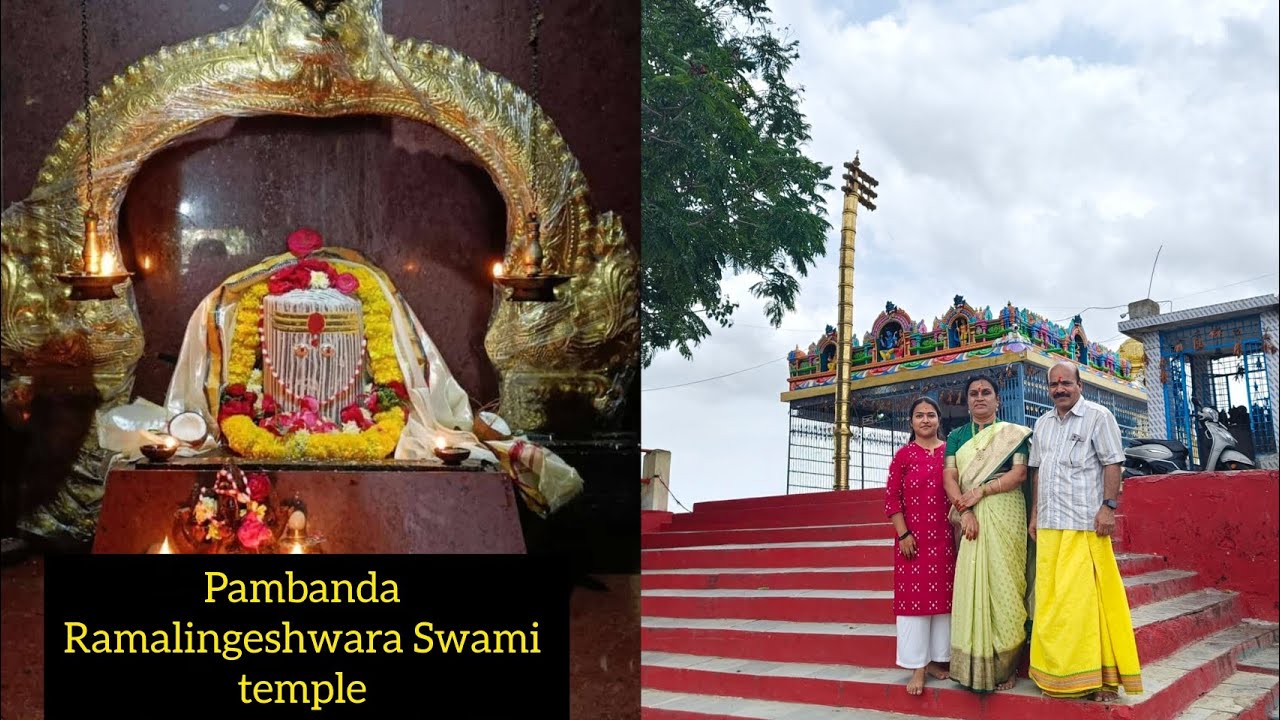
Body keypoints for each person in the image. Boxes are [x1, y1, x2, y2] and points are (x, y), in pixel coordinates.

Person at [1028, 361, 1142, 701]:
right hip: (1050, 525)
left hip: (1084, 524)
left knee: (1087, 604)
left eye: (1066, 383)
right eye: (1054, 384)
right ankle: (1056, 675)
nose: (1060, 389)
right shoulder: (1042, 423)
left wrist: (1108, 507)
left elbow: (1112, 462)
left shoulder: (1098, 416)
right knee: (1051, 604)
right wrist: (1035, 513)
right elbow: (1038, 472)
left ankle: (1100, 680)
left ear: (1080, 385)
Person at [944, 374, 1033, 693]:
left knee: (1007, 584)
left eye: (986, 393)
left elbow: (1019, 474)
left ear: (997, 399)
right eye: (973, 393)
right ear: (967, 401)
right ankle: (972, 667)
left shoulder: (1013, 434)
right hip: (970, 515)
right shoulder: (955, 437)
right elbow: (950, 478)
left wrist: (981, 492)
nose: (979, 398)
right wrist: (965, 511)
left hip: (1005, 512)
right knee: (972, 584)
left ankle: (1007, 665)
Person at [884, 396, 956, 695]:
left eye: (930, 415)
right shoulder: (903, 456)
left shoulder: (951, 454)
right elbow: (892, 500)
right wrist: (903, 535)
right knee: (914, 605)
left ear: (939, 419)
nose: (925, 420)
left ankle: (938, 660)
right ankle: (917, 667)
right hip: (912, 542)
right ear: (911, 422)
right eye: (919, 416)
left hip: (945, 539)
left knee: (944, 603)